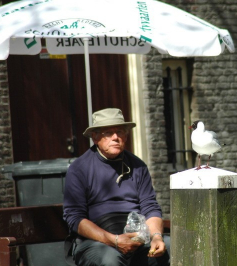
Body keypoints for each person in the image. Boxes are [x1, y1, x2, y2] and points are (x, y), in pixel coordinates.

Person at [63, 108, 169, 266]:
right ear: (95, 137)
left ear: (126, 135)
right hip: (97, 241)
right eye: (108, 133)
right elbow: (75, 218)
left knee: (173, 247)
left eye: (119, 131)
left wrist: (156, 237)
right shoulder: (79, 169)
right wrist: (113, 240)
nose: (115, 137)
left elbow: (150, 207)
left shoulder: (138, 166)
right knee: (110, 259)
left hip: (138, 238)